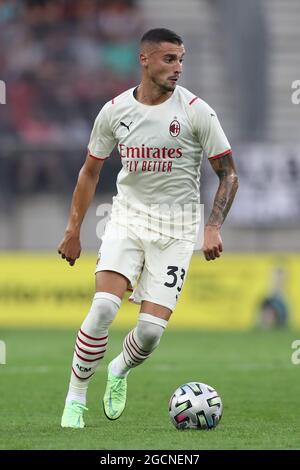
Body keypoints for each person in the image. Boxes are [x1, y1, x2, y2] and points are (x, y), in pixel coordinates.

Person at [58, 28, 238, 428]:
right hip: (127, 217)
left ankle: (119, 369)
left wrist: (213, 226)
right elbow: (89, 172)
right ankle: (75, 398)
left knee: (151, 333)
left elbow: (228, 174)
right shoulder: (115, 111)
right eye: (169, 59)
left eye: (181, 60)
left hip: (177, 228)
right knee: (104, 306)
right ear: (144, 60)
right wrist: (73, 230)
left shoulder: (197, 111)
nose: (177, 68)